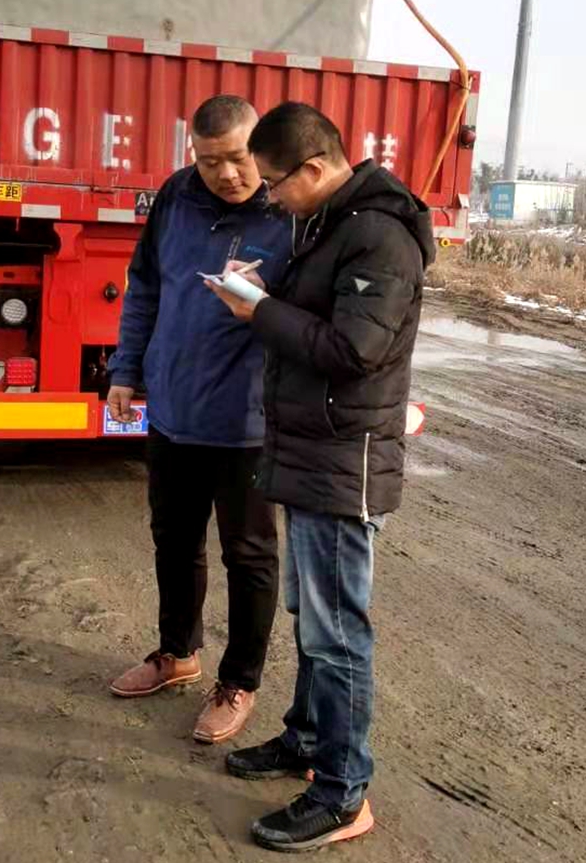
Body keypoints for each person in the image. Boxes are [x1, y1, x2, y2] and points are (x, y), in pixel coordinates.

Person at [206, 101, 435, 851]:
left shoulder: (380, 234)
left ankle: (343, 792)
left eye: (275, 182)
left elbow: (352, 351)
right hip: (311, 451)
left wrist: (260, 311)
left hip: (344, 459)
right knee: (312, 620)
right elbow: (316, 309)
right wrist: (261, 289)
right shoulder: (328, 221)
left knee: (338, 634)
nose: (269, 197)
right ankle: (306, 739)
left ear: (313, 167)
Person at [107, 94, 291, 744]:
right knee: (175, 539)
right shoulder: (176, 197)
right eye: (210, 161)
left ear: (259, 149)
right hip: (174, 409)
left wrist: (268, 302)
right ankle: (177, 652)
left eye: (237, 158)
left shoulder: (287, 211)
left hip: (247, 422)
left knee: (249, 555)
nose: (226, 174)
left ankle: (239, 681)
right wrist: (126, 369)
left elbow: (311, 315)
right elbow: (146, 287)